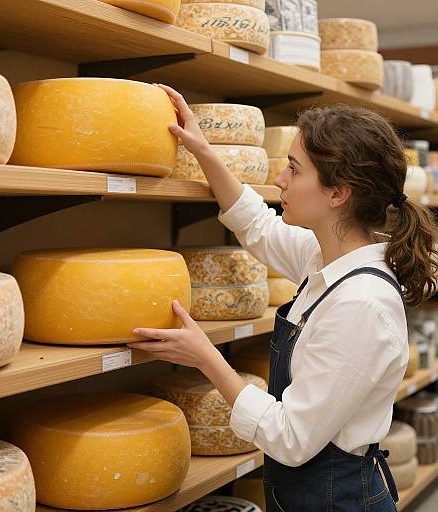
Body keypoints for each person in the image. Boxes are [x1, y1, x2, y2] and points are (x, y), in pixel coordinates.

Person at [130, 84, 438, 511]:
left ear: (337, 193)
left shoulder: (360, 305)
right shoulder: (327, 257)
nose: (279, 180)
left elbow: (291, 438)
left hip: (339, 500)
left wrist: (207, 357)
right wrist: (202, 150)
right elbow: (259, 226)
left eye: (294, 169)